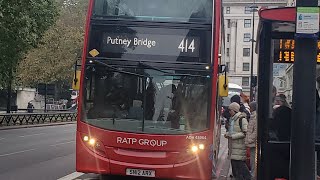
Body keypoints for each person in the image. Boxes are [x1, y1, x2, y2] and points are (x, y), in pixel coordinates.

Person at [225, 102, 251, 180]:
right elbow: (232, 131)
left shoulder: (242, 119)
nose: (229, 112)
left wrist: (233, 136)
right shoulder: (232, 119)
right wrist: (227, 134)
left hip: (239, 146)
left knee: (240, 165)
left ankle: (247, 178)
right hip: (233, 146)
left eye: (230, 110)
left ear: (235, 110)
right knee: (234, 165)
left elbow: (245, 132)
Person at [245, 102, 257, 179]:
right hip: (252, 141)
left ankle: (253, 175)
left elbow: (256, 131)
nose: (249, 108)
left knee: (253, 160)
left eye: (250, 107)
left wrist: (249, 139)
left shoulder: (255, 116)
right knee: (252, 160)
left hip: (253, 142)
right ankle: (252, 174)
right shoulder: (253, 116)